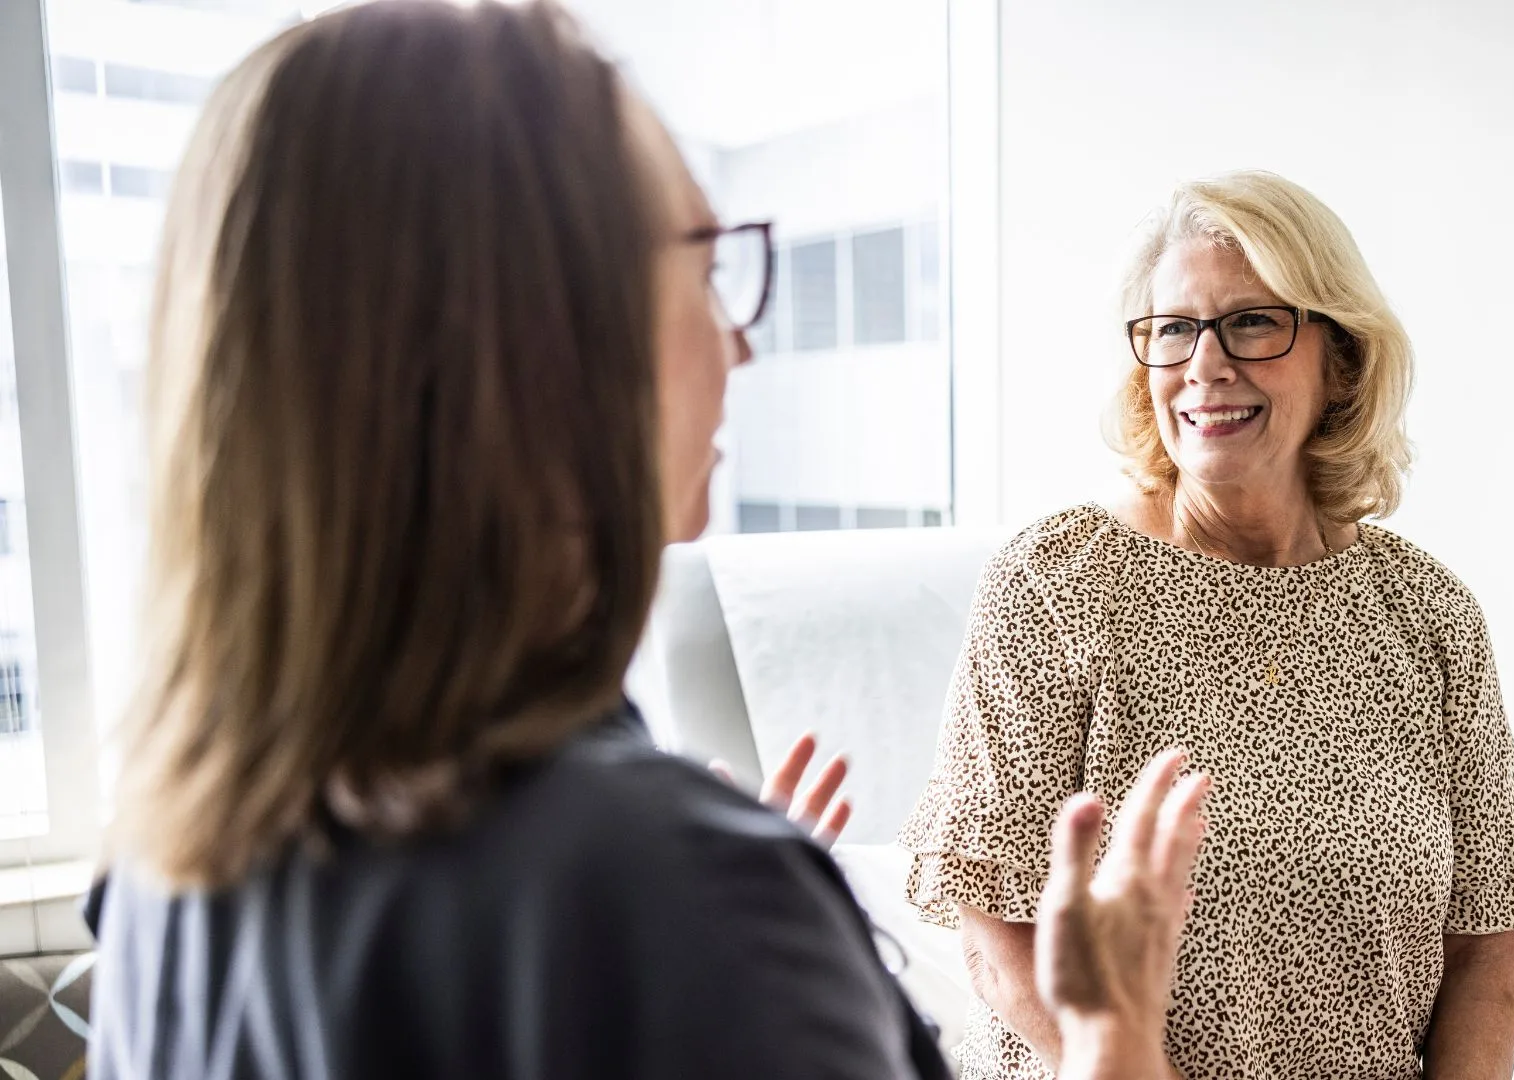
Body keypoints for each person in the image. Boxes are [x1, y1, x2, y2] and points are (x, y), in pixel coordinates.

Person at [80, 3, 1209, 1078]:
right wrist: (1110, 1038)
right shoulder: (673, 900)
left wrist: (730, 920)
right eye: (710, 268)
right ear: (544, 345)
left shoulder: (164, 863)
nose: (740, 348)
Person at [899, 171, 1514, 1080]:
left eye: (1252, 321)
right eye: (1174, 329)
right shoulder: (1055, 585)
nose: (1206, 364)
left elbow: (1486, 949)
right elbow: (997, 942)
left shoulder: (1426, 613)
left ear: (1340, 358)